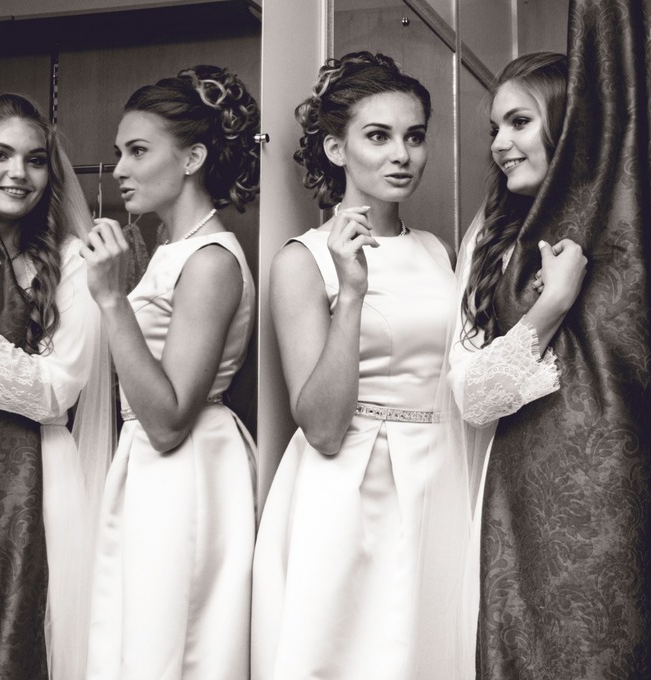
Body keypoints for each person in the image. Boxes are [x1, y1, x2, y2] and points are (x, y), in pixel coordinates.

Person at [250, 52, 457, 680]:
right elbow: (321, 427)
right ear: (336, 149)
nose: (402, 155)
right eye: (378, 136)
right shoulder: (302, 260)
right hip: (349, 487)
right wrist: (353, 293)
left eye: (414, 136)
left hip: (440, 476)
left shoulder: (438, 252)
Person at [412, 52, 588, 679]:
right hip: (517, 495)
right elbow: (472, 396)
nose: (499, 144)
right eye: (495, 128)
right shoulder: (494, 240)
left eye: (519, 122)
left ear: (567, 122)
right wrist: (551, 306)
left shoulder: (636, 223)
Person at [81, 65, 259, 680]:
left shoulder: (209, 261)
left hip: (184, 467)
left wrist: (111, 299)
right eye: (119, 153)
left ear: (192, 158)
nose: (120, 169)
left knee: (174, 646)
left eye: (138, 151)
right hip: (154, 467)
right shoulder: (170, 250)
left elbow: (168, 420)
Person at [0, 93, 112, 679]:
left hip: (38, 479)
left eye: (35, 160)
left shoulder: (74, 263)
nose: (18, 173)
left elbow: (55, 393)